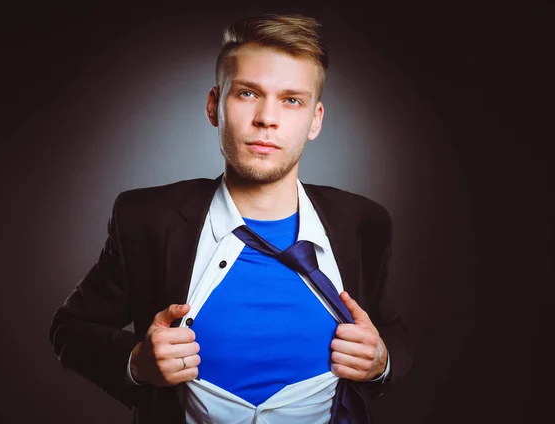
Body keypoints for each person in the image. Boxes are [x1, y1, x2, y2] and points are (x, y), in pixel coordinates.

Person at [49, 13, 412, 424]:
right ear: (213, 105)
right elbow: (69, 329)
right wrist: (136, 362)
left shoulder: (365, 223)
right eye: (247, 93)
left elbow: (391, 330)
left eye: (292, 100)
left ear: (316, 120)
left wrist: (381, 360)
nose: (267, 119)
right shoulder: (144, 219)